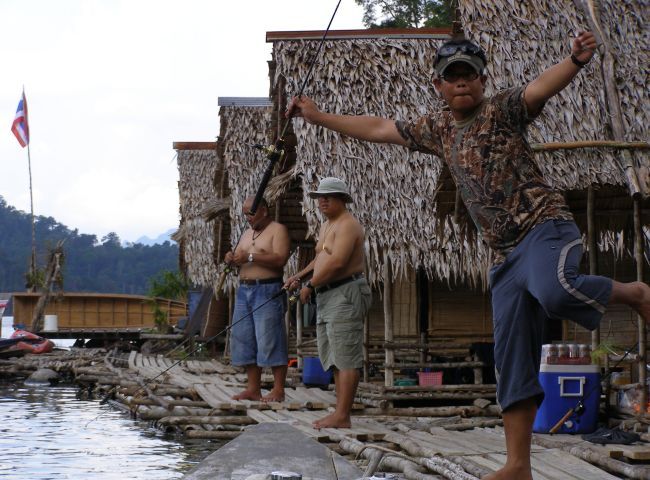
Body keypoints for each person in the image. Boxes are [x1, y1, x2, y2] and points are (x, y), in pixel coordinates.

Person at [287, 32, 650, 479]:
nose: (461, 83)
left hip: (544, 227)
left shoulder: (502, 110)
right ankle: (518, 465)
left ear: (482, 79)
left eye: (469, 75)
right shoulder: (437, 128)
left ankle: (634, 293)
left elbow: (539, 87)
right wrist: (318, 116)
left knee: (555, 292)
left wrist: (573, 60)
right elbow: (379, 129)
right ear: (438, 85)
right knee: (511, 357)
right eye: (451, 76)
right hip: (503, 254)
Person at [285, 177, 372, 429]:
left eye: (329, 196)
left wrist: (310, 286)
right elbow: (322, 257)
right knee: (333, 354)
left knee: (346, 355)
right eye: (320, 197)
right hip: (328, 294)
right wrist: (299, 276)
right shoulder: (327, 226)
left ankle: (343, 415)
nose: (322, 201)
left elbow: (337, 263)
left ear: (342, 199)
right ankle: (339, 412)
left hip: (345, 292)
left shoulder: (348, 225)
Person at [224, 196, 290, 402]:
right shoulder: (246, 234)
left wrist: (250, 257)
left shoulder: (278, 230)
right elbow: (239, 259)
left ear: (264, 210)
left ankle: (278, 390)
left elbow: (280, 258)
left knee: (270, 338)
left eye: (251, 213)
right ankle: (253, 388)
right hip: (244, 290)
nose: (248, 218)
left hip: (267, 289)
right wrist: (231, 259)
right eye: (245, 214)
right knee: (244, 338)